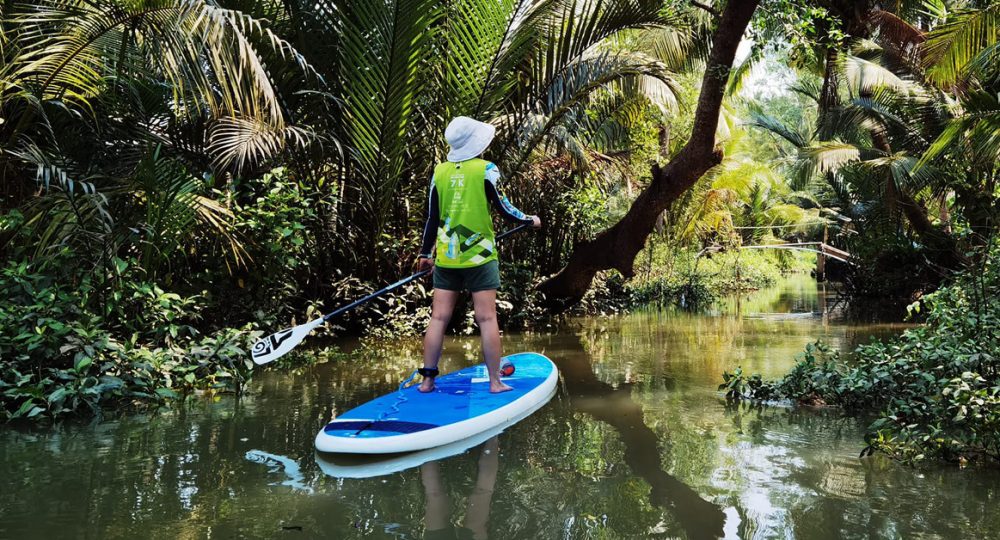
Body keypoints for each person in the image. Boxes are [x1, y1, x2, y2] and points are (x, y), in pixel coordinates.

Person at [416, 116, 540, 394]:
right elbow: (504, 208)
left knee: (438, 318)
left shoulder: (439, 172)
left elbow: (432, 218)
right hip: (480, 256)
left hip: (447, 255)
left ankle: (427, 382)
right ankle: (496, 383)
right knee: (486, 318)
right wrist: (529, 220)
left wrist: (426, 253)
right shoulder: (486, 169)